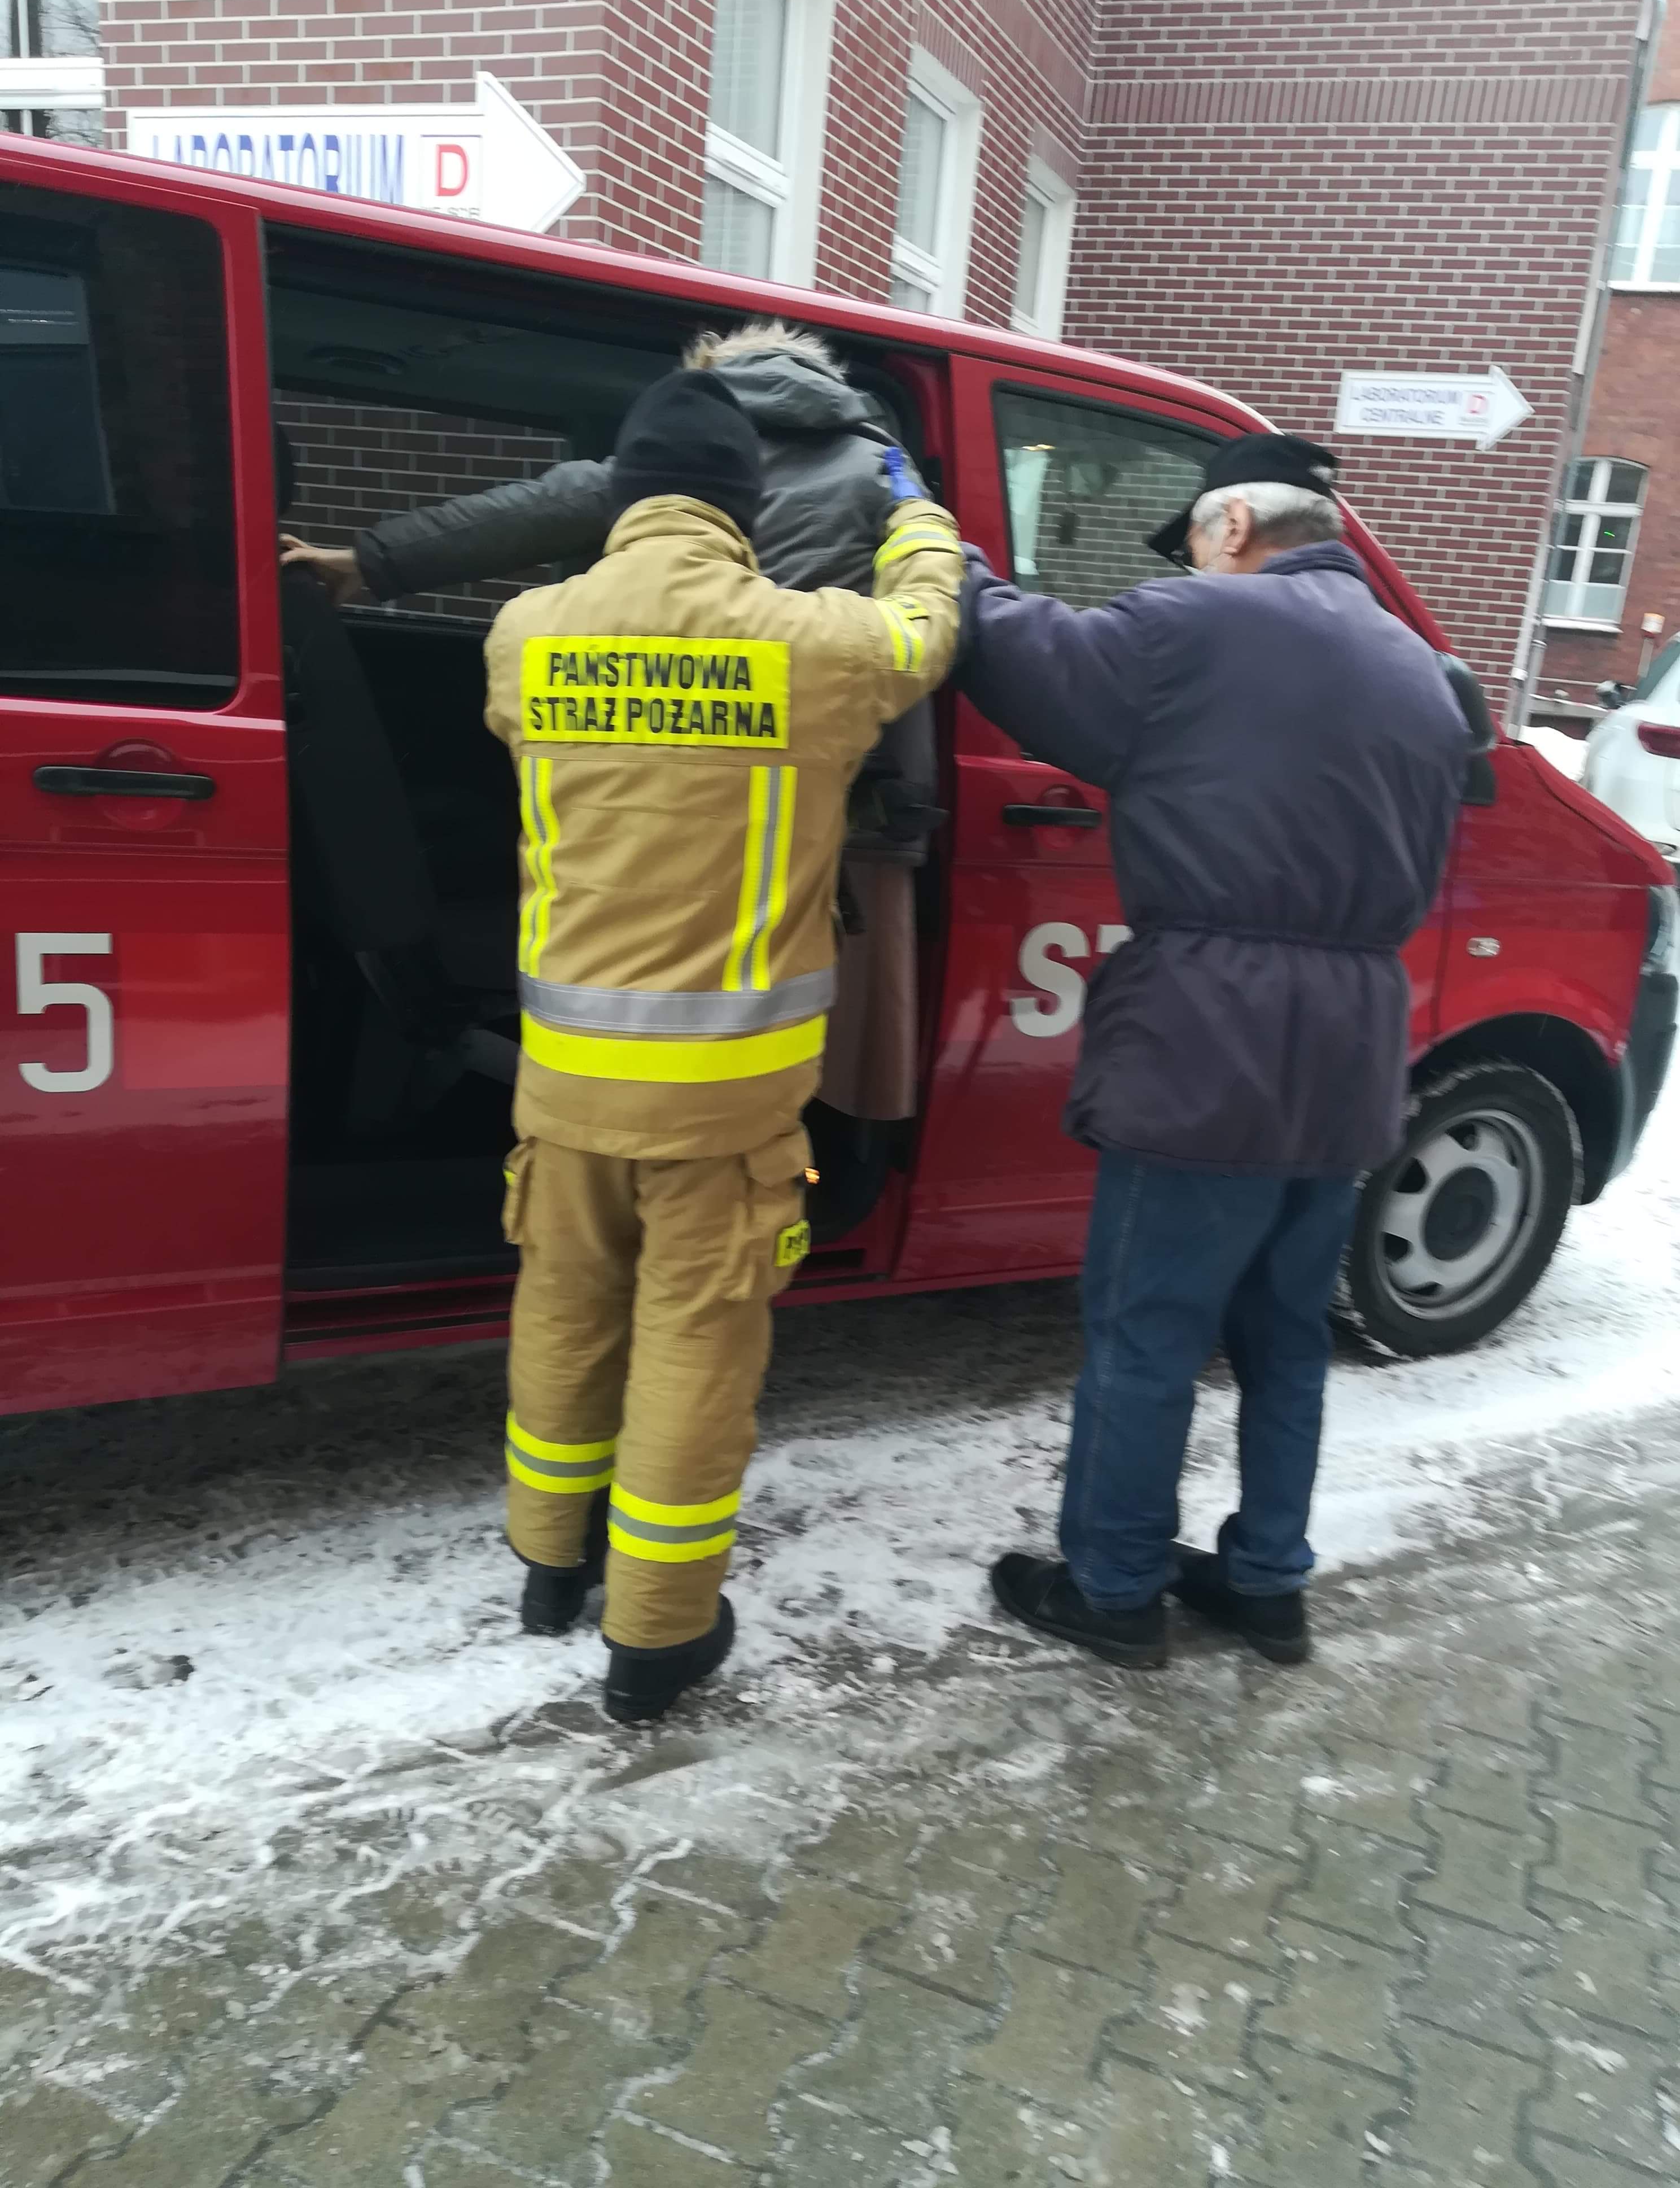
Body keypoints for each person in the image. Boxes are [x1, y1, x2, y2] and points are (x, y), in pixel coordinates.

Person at [485, 366, 963, 1723]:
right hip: (729, 1097)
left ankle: (548, 1566)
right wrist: (913, 513)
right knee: (695, 1346)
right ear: (745, 508)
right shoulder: (814, 644)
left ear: (625, 499)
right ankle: (658, 1637)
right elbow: (930, 629)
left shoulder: (526, 635)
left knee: (566, 1311)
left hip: (566, 1079)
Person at [957, 433, 1470, 1670]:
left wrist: (945, 552)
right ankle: (1266, 1583)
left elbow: (1021, 651)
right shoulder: (1426, 671)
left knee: (1149, 1329)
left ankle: (1116, 1588)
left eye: (1192, 537)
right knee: (1288, 1333)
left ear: (1232, 522)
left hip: (1212, 1032)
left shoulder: (1197, 628)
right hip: (1353, 1041)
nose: (1191, 560)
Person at [282, 320, 939, 1121]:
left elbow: (532, 508)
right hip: (796, 765)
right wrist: (926, 523)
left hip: (640, 805)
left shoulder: (572, 577)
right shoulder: (879, 469)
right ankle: (811, 1128)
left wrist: (370, 564)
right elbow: (924, 628)